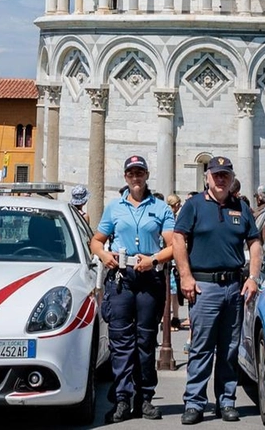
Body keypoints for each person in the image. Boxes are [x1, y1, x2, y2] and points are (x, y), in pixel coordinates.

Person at [174, 157, 262, 425]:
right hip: (205, 287)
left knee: (229, 349)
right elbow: (178, 239)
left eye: (225, 175)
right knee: (201, 347)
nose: (220, 179)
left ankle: (227, 401)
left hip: (234, 287)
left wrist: (254, 277)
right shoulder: (193, 206)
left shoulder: (241, 207)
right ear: (207, 177)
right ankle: (194, 403)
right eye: (216, 175)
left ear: (231, 177)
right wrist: (186, 277)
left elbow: (255, 242)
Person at [93, 155, 179, 422]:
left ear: (147, 175)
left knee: (144, 342)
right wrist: (104, 256)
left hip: (149, 278)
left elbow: (173, 245)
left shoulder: (161, 208)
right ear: (125, 177)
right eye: (131, 173)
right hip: (121, 278)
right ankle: (122, 398)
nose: (136, 177)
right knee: (121, 343)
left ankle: (145, 398)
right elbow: (96, 240)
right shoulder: (114, 207)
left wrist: (153, 259)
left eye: (140, 172)